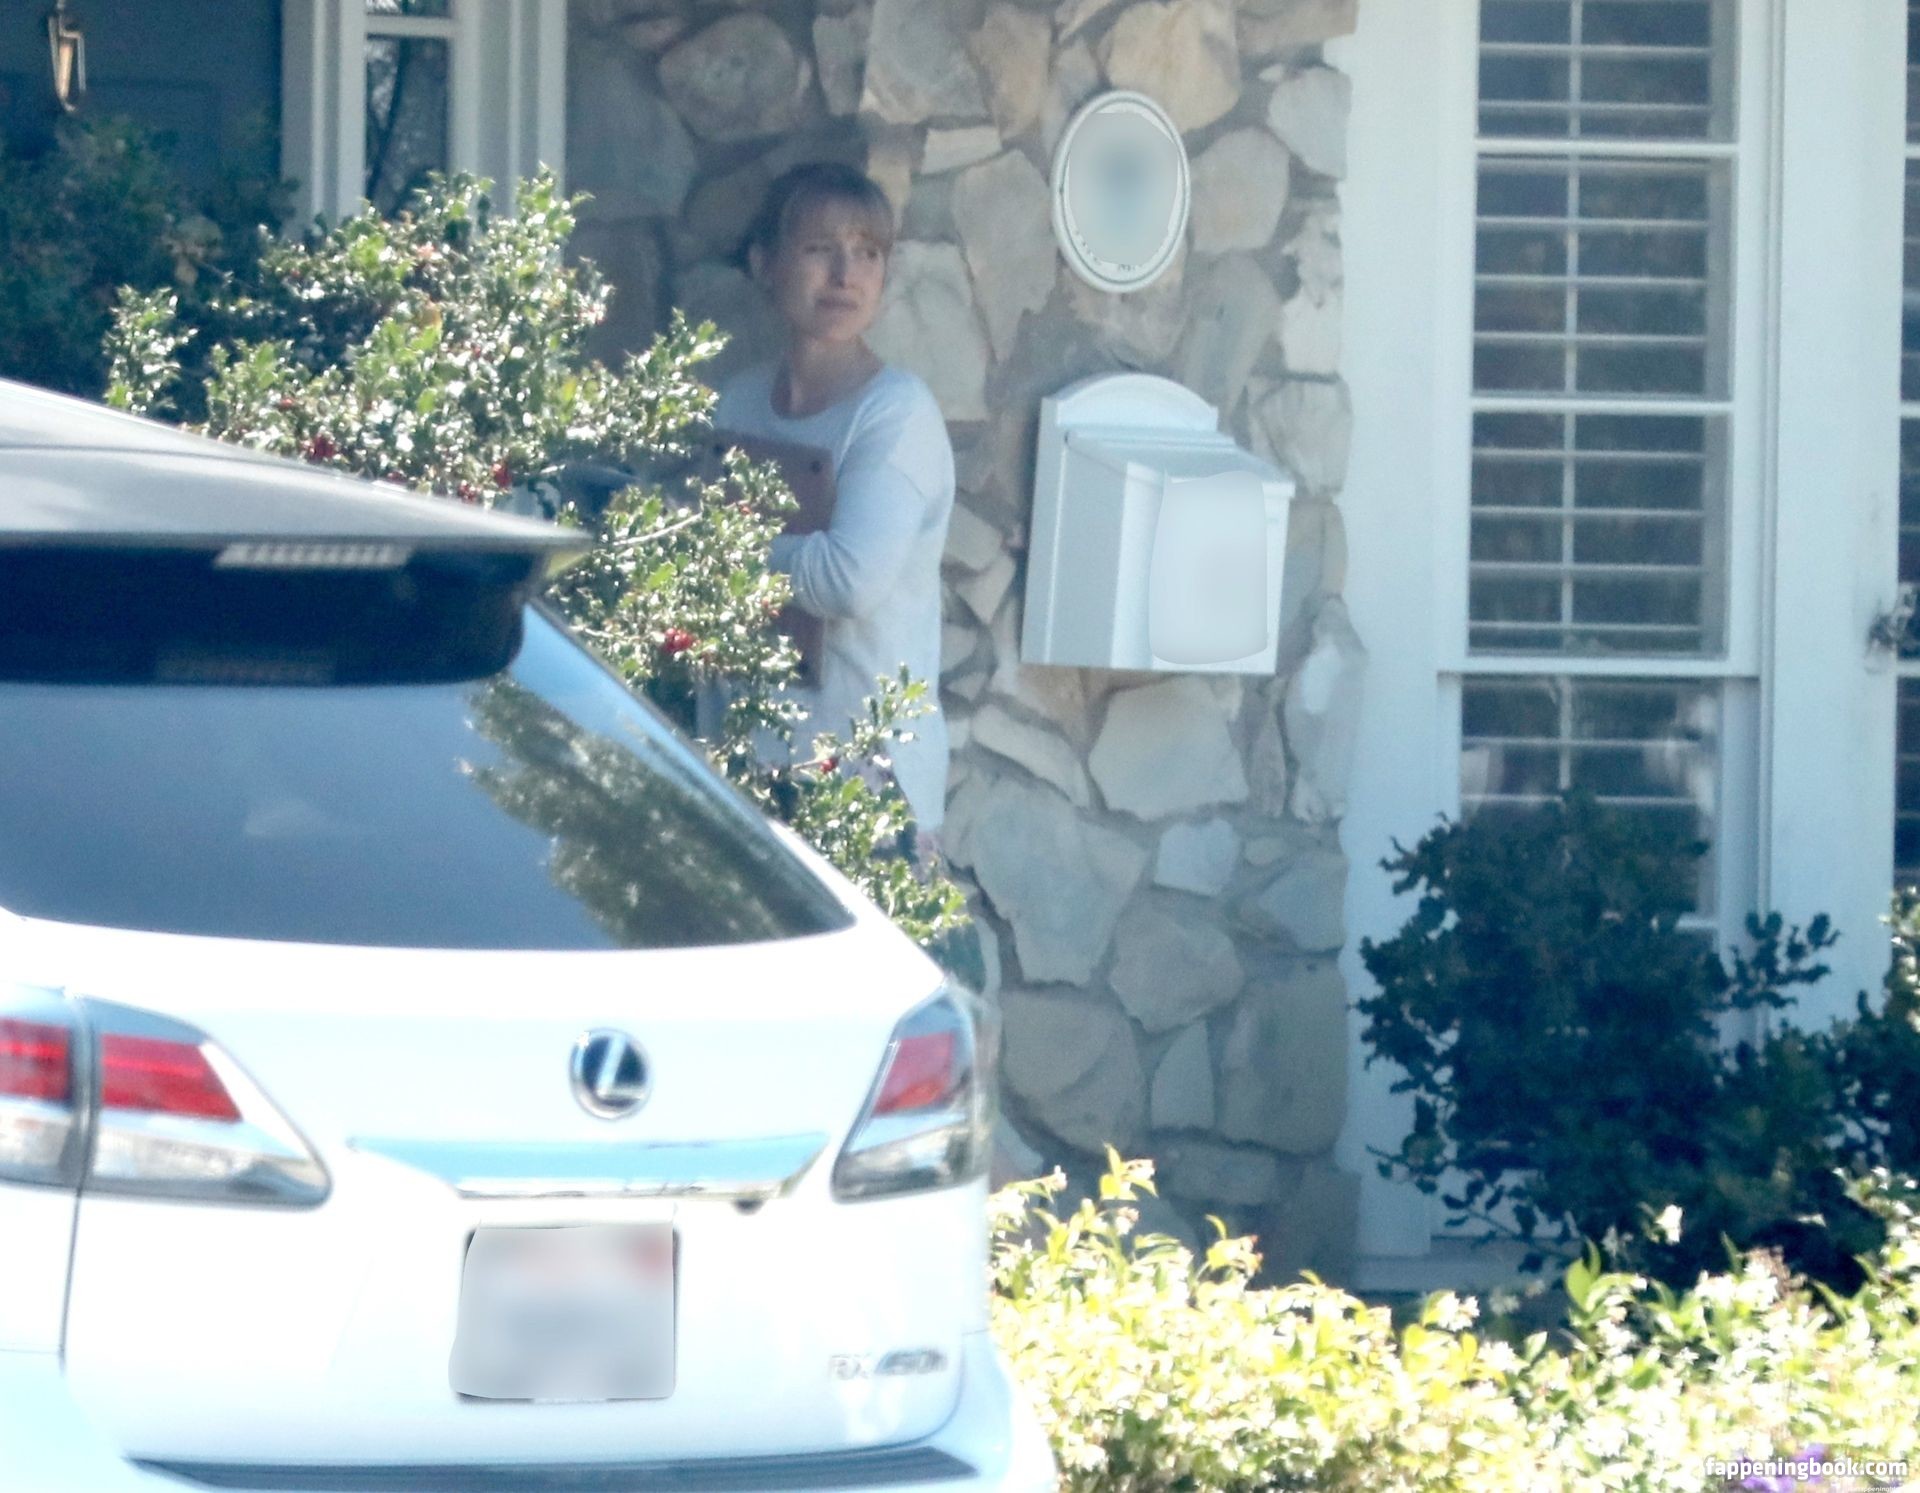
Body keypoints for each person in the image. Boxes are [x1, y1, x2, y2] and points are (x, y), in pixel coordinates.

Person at [715, 162, 956, 870]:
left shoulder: (896, 414)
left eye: (868, 252)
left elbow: (849, 579)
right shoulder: (738, 403)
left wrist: (718, 547)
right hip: (751, 770)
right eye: (821, 249)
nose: (846, 274)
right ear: (765, 263)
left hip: (864, 783)